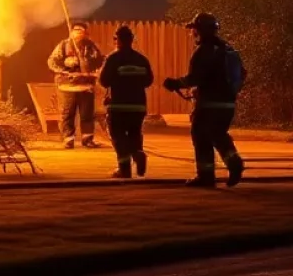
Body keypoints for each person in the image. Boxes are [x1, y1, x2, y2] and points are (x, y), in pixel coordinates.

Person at [164, 13, 247, 188]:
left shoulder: (203, 51)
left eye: (194, 29)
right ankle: (234, 162)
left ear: (200, 30)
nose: (193, 33)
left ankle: (206, 177)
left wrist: (175, 83)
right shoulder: (227, 49)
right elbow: (242, 73)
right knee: (218, 135)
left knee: (201, 136)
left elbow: (196, 77)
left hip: (209, 104)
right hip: (227, 104)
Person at [98, 25, 154, 178]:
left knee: (118, 136)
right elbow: (149, 80)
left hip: (118, 106)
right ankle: (138, 152)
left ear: (117, 40)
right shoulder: (141, 59)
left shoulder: (113, 58)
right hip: (138, 106)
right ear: (132, 40)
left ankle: (125, 169)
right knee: (135, 133)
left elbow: (103, 81)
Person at [48, 20, 105, 149]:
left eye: (82, 30)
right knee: (67, 113)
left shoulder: (91, 47)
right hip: (67, 86)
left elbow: (100, 60)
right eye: (76, 30)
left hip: (86, 85)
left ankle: (87, 139)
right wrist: (65, 65)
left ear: (86, 33)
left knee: (87, 114)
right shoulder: (63, 46)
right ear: (71, 31)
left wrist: (88, 64)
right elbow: (52, 62)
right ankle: (68, 139)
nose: (79, 33)